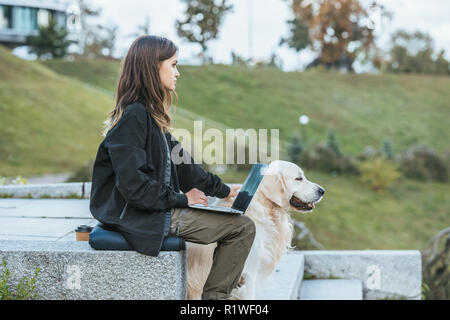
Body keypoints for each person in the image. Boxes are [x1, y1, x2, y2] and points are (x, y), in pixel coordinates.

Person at [89, 35, 256, 300]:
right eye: (173, 65)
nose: (177, 73)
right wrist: (182, 198)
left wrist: (223, 190)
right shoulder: (134, 117)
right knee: (241, 228)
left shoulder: (149, 116)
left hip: (152, 209)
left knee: (239, 225)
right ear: (152, 67)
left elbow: (185, 164)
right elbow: (134, 186)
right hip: (141, 215)